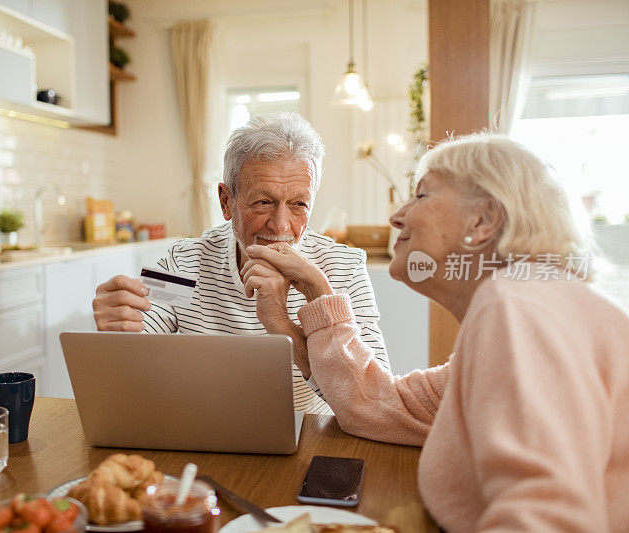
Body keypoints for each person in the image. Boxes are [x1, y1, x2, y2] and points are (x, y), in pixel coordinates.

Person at [244, 133, 629, 531]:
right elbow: (377, 406)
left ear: (483, 220)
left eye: (422, 196)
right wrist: (312, 300)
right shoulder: (528, 300)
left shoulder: (519, 304)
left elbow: (547, 521)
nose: (396, 217)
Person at [92, 112, 390, 414]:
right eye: (263, 202)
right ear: (226, 201)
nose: (280, 226)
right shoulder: (183, 264)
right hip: (205, 439)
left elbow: (375, 402)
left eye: (299, 204)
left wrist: (285, 328)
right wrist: (120, 333)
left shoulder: (344, 267)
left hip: (312, 441)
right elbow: (135, 356)